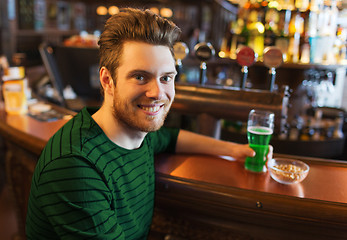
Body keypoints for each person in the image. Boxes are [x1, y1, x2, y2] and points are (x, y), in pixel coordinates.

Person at [26, 8, 260, 239]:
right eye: (140, 77)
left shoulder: (136, 133)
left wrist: (234, 150)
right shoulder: (76, 166)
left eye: (166, 78)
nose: (157, 93)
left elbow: (170, 138)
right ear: (108, 80)